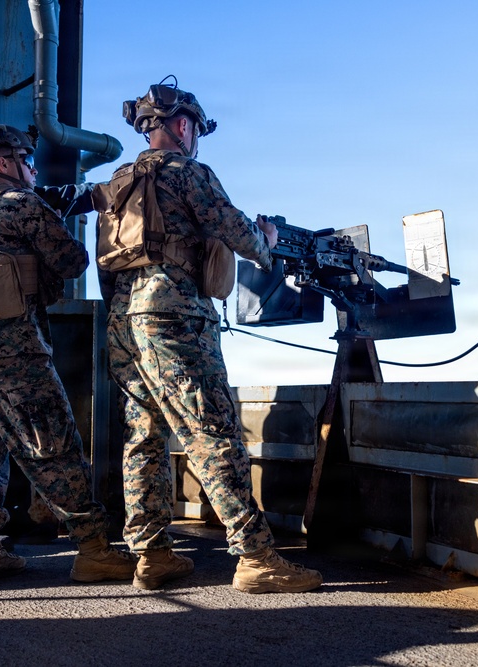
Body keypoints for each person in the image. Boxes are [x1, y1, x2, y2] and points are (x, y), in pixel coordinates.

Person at [97, 78, 322, 593]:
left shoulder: (118, 181)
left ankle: (152, 555)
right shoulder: (187, 170)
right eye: (195, 128)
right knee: (212, 431)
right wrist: (266, 243)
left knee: (143, 436)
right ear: (182, 126)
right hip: (175, 316)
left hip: (125, 319)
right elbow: (237, 231)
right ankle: (257, 557)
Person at [0, 122, 135, 585]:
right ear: (4, 163)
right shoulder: (22, 204)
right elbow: (71, 262)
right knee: (52, 444)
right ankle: (93, 550)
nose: (32, 168)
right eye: (27, 160)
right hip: (12, 349)